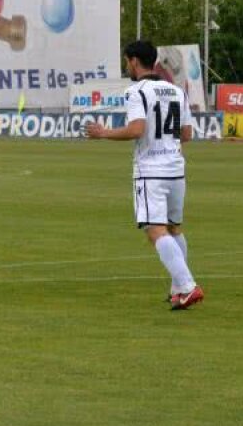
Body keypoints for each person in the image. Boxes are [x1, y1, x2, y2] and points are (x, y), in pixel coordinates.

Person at [85, 40, 204, 310]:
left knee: (155, 230)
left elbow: (137, 129)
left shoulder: (136, 92)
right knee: (174, 228)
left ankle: (187, 286)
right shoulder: (176, 91)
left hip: (151, 171)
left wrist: (103, 133)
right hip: (176, 169)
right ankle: (178, 289)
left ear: (135, 61)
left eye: (127, 61)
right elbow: (186, 135)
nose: (127, 65)